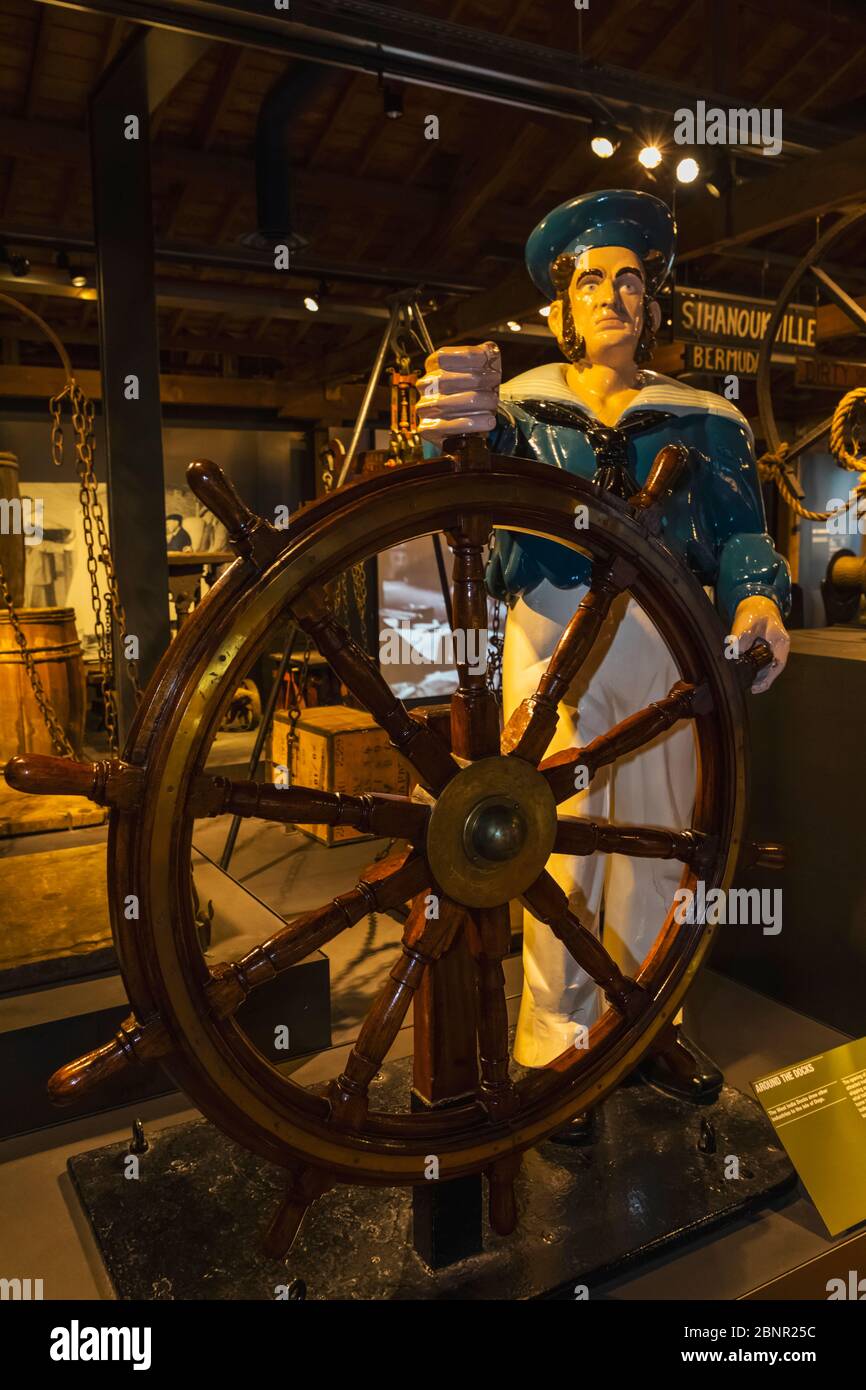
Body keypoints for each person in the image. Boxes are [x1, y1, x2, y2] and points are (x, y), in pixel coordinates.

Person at [416, 189, 790, 1117]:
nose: (614, 296)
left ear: (652, 306)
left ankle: (646, 1021)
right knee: (555, 848)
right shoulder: (519, 409)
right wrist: (459, 410)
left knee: (666, 840)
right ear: (561, 306)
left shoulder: (707, 420)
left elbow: (742, 534)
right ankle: (557, 1043)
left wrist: (756, 598)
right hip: (553, 634)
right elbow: (478, 457)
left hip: (669, 644)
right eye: (594, 280)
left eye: (632, 281)